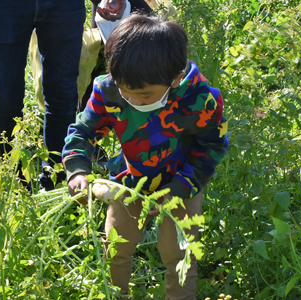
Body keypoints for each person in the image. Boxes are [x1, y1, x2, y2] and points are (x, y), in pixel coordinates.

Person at [62, 13, 229, 299]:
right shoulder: (108, 90)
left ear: (175, 79)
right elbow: (82, 132)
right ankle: (115, 295)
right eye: (125, 92)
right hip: (130, 181)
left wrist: (177, 191)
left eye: (144, 95)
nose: (133, 100)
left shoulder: (200, 99)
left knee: (179, 254)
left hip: (182, 181)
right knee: (116, 246)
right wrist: (77, 169)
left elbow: (211, 148)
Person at [0, 0, 127, 191]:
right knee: (4, 98)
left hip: (64, 5)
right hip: (3, 6)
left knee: (62, 94)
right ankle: (15, 185)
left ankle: (57, 182)